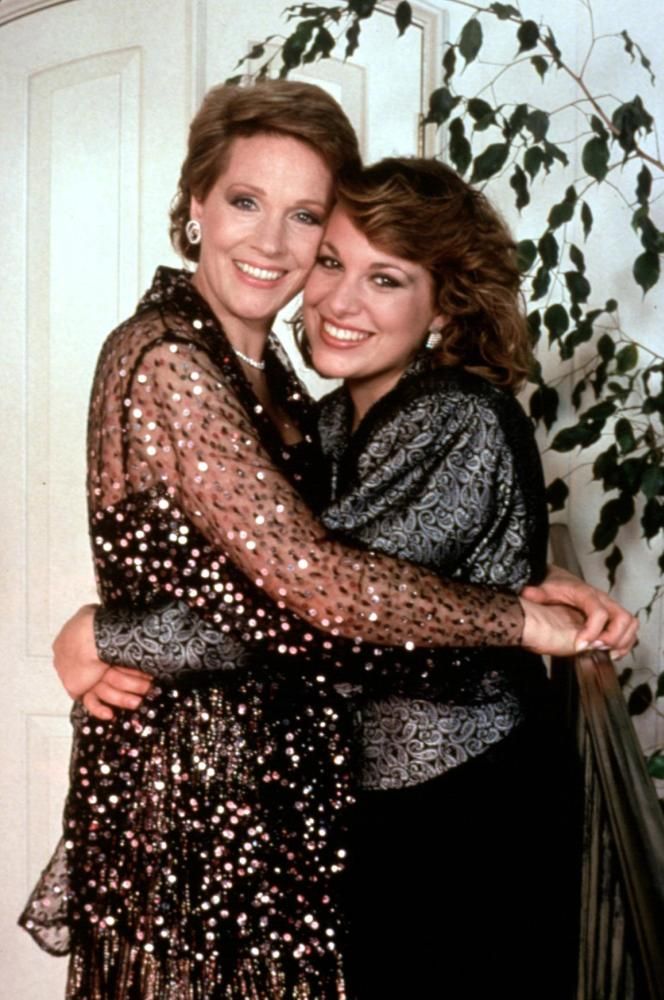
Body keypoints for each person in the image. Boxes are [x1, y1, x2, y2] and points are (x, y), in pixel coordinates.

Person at [22, 86, 636, 1000]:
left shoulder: (397, 408)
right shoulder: (223, 377)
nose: (287, 254)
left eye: (307, 218)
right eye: (247, 202)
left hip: (445, 808)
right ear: (195, 205)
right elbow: (314, 579)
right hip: (239, 792)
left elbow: (321, 585)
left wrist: (105, 636)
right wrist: (513, 598)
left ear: (443, 306)